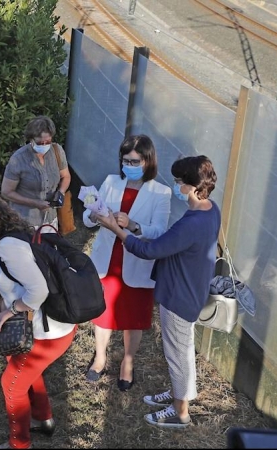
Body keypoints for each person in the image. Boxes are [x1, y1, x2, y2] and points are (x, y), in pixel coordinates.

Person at [97, 155, 220, 429]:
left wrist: (116, 228)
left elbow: (148, 250)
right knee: (183, 349)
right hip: (192, 289)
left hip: (178, 296)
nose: (175, 185)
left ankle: (180, 411)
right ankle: (182, 394)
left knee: (177, 354)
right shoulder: (210, 209)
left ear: (191, 185)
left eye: (178, 181)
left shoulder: (192, 223)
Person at [0, 196, 77, 449]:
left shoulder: (9, 247)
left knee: (12, 385)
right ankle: (43, 418)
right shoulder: (21, 234)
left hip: (45, 334)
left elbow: (38, 291)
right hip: (54, 326)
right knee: (21, 367)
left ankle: (19, 444)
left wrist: (8, 312)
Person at [81, 135, 171, 390]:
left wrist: (132, 225)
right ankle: (100, 357)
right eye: (125, 161)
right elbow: (88, 216)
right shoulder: (110, 182)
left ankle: (127, 363)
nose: (128, 165)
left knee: (133, 316)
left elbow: (159, 232)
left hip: (136, 260)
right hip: (107, 259)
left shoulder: (161, 193)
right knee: (103, 311)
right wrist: (95, 215)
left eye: (134, 161)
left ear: (147, 161)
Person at [1, 116, 71, 228]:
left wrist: (61, 192)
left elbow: (66, 176)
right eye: (40, 143)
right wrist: (34, 203)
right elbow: (6, 192)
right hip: (25, 220)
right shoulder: (18, 159)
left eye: (48, 142)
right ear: (31, 139)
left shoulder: (57, 151)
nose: (44, 145)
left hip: (50, 219)